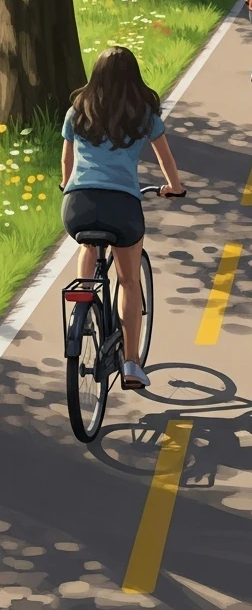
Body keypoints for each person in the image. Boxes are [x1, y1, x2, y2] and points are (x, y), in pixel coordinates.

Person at [61, 47, 185, 389]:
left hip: (78, 205)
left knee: (88, 242)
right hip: (122, 208)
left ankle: (83, 305)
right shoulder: (144, 115)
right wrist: (173, 187)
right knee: (129, 281)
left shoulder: (77, 111)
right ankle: (131, 364)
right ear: (133, 78)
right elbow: (167, 160)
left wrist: (66, 187)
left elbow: (66, 165)